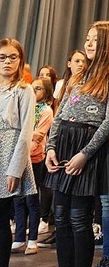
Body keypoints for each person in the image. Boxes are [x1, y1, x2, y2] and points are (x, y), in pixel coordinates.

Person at [44, 21, 109, 267]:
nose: (88, 43)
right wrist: (50, 147)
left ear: (108, 43)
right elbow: (61, 114)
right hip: (64, 143)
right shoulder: (77, 76)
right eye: (87, 38)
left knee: (78, 217)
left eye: (95, 39)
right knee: (61, 215)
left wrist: (85, 154)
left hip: (87, 147)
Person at [0, 38, 36, 267]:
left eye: (13, 57)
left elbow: (25, 133)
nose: (7, 62)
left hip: (8, 158)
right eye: (2, 57)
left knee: (2, 219)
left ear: (20, 61)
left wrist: (15, 169)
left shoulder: (24, 90)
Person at [12, 77, 54, 256]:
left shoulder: (46, 110)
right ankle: (19, 238)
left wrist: (26, 139)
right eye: (33, 88)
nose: (35, 91)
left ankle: (33, 239)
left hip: (34, 158)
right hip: (18, 156)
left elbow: (38, 137)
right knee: (18, 199)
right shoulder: (24, 106)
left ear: (46, 92)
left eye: (39, 89)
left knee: (31, 199)